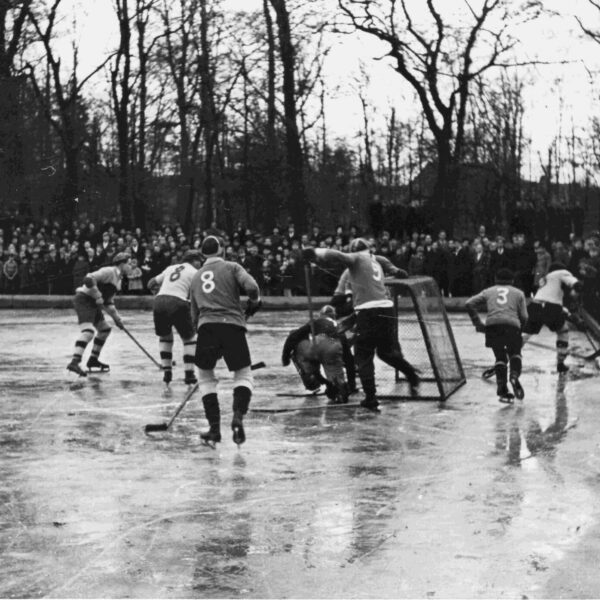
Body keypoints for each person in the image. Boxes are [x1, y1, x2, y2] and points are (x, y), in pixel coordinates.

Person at [303, 237, 419, 412]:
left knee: (363, 355)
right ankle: (411, 374)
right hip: (386, 309)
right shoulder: (375, 259)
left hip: (367, 311)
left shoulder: (355, 260)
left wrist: (315, 252)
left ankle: (371, 398)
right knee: (386, 352)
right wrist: (395, 270)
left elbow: (338, 256)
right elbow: (387, 262)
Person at [190, 235, 261, 447]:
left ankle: (214, 429)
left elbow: (193, 314)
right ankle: (238, 416)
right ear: (222, 249)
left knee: (204, 376)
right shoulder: (232, 267)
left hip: (207, 327)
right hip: (232, 325)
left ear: (202, 253)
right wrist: (254, 302)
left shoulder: (196, 277)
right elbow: (252, 287)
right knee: (243, 373)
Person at [465, 268, 528, 403]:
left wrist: (478, 323)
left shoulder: (489, 291)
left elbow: (469, 303)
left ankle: (502, 389)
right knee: (515, 353)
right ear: (512, 281)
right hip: (512, 325)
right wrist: (519, 328)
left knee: (500, 357)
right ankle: (514, 376)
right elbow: (524, 316)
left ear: (495, 279)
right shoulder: (519, 293)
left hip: (493, 325)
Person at [66, 252, 130, 377]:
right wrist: (97, 294)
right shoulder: (109, 271)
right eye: (129, 264)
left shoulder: (119, 280)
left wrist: (117, 319)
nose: (131, 267)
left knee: (104, 329)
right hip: (84, 300)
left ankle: (93, 360)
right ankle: (75, 362)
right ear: (122, 264)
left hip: (94, 304)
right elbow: (88, 278)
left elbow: (109, 303)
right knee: (88, 332)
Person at [147, 250, 204, 385]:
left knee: (165, 337)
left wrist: (159, 290)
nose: (201, 265)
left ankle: (167, 372)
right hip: (179, 302)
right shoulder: (195, 273)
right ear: (194, 261)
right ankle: (189, 374)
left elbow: (150, 283)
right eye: (200, 262)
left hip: (159, 301)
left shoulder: (171, 268)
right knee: (189, 339)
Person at [281, 305, 356, 403]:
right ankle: (339, 389)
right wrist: (352, 385)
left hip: (315, 347)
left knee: (296, 337)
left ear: (321, 315)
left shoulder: (315, 321)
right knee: (336, 377)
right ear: (334, 316)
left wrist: (285, 357)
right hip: (333, 348)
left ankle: (311, 378)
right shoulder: (338, 326)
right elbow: (348, 360)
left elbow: (293, 337)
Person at [523, 262, 582, 373]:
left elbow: (553, 302)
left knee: (526, 333)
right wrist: (576, 291)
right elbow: (575, 284)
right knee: (562, 331)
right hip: (551, 307)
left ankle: (509, 357)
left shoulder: (545, 279)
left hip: (535, 305)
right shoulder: (562, 273)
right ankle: (560, 362)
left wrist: (569, 314)